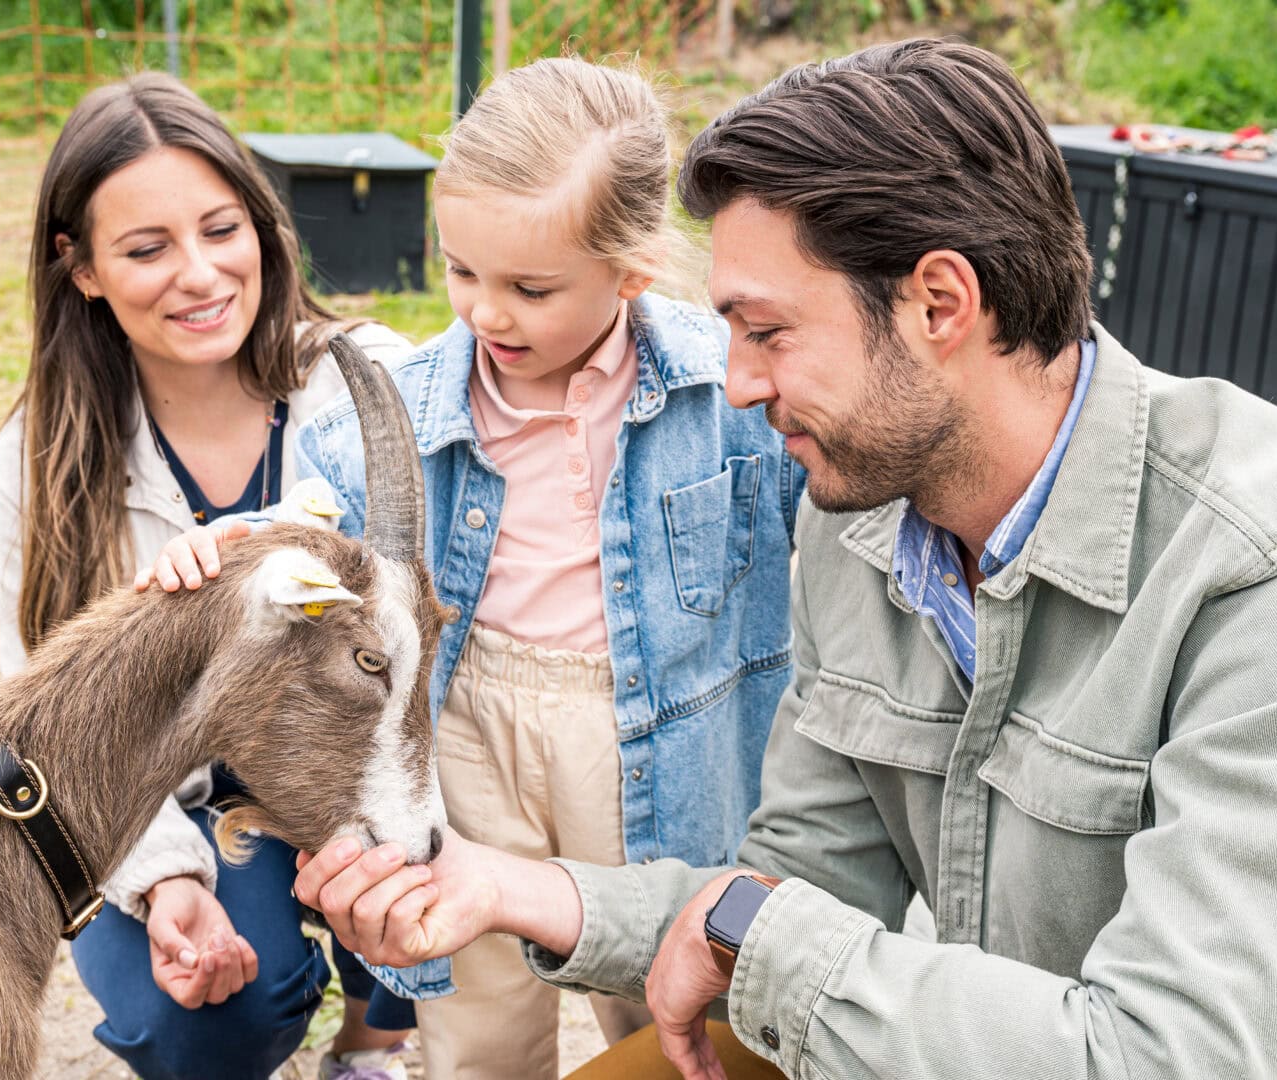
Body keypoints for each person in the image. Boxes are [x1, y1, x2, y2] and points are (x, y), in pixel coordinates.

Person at [291, 40, 1277, 1080]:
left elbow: (1178, 1055)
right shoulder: (859, 518)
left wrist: (765, 930)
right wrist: (504, 890)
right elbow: (796, 875)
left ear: (938, 304)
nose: (737, 383)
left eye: (767, 331)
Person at [135, 57, 806, 1079]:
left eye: (529, 288)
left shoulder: (727, 392)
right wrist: (242, 546)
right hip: (472, 725)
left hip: (659, 735)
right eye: (460, 272)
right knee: (479, 1003)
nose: (486, 312)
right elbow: (325, 517)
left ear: (631, 271)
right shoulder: (410, 402)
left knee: (667, 999)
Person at [0, 72, 420, 1080]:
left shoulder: (372, 382)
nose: (200, 273)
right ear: (80, 267)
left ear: (263, 227)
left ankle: (371, 1042)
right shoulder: (39, 460)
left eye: (222, 229)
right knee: (197, 1021)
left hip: (355, 760)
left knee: (420, 856)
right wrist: (160, 878)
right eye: (145, 249)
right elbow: (41, 721)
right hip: (153, 789)